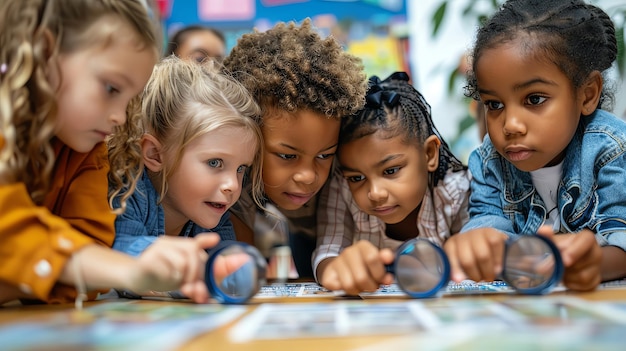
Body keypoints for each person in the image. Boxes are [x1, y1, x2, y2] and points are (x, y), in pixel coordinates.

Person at [0, 0, 216, 306]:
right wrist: (127, 271)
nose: (120, 116)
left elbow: (90, 262)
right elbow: (10, 229)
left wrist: (37, 272)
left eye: (129, 98)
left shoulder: (87, 152)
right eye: (112, 89)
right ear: (44, 52)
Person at [443, 0, 626, 292]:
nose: (510, 125)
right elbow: (487, 223)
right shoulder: (490, 159)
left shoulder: (611, 148)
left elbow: (621, 238)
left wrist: (595, 263)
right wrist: (477, 242)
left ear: (587, 94)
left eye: (534, 99)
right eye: (494, 104)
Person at [223, 18, 368, 278]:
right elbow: (240, 264)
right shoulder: (235, 179)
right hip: (300, 233)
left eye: (325, 155)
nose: (308, 176)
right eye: (288, 156)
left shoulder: (348, 168)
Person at [314, 72, 471, 295]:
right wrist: (335, 269)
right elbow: (328, 251)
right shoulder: (342, 188)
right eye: (357, 178)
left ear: (429, 154)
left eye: (391, 170)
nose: (375, 193)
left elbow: (475, 250)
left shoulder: (456, 191)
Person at [109, 56, 263, 270]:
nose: (233, 185)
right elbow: (123, 256)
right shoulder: (128, 194)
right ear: (155, 154)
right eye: (215, 163)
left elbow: (229, 265)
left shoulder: (213, 212)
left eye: (240, 168)